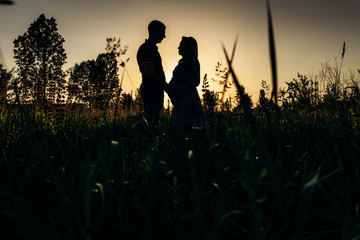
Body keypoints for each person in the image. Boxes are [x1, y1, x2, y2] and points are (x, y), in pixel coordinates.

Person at [167, 36, 207, 130]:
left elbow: (196, 81)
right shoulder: (180, 63)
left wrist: (179, 78)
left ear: (188, 47)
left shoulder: (194, 62)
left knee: (188, 128)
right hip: (179, 102)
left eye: (181, 45)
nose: (178, 47)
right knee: (178, 130)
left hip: (189, 102)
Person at [137, 20, 167, 124]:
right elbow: (149, 73)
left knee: (153, 120)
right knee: (152, 121)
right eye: (162, 32)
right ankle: (130, 133)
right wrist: (165, 86)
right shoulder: (147, 48)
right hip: (151, 90)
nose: (164, 36)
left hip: (154, 89)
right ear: (154, 31)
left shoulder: (152, 49)